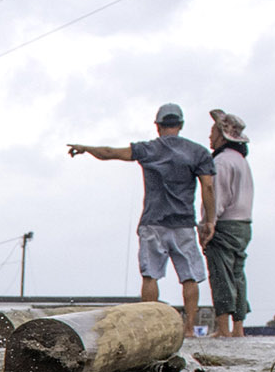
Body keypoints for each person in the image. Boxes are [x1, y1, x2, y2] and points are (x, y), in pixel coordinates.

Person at [67, 102, 217, 332]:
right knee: (189, 277)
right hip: (183, 223)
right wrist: (209, 221)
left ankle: (151, 328)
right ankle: (189, 329)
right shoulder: (198, 153)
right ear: (181, 124)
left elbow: (110, 153)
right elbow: (208, 187)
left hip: (152, 222)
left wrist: (85, 148)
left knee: (150, 276)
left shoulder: (148, 150)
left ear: (157, 126)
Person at [202, 109, 253, 337]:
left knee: (221, 274)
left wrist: (208, 223)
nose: (210, 136)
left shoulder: (221, 162)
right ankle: (238, 327)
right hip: (243, 224)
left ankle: (223, 328)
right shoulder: (241, 160)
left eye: (213, 131)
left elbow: (216, 196)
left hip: (225, 223)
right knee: (237, 274)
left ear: (223, 135)